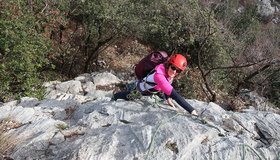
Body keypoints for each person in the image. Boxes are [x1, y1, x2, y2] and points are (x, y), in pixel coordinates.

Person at [112, 53, 198, 116]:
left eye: (178, 70)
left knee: (134, 95)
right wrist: (191, 110)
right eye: (173, 67)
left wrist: (168, 99)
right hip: (140, 89)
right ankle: (115, 96)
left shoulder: (168, 71)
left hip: (150, 90)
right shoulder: (159, 76)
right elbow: (174, 94)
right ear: (169, 65)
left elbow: (167, 84)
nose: (174, 71)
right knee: (128, 96)